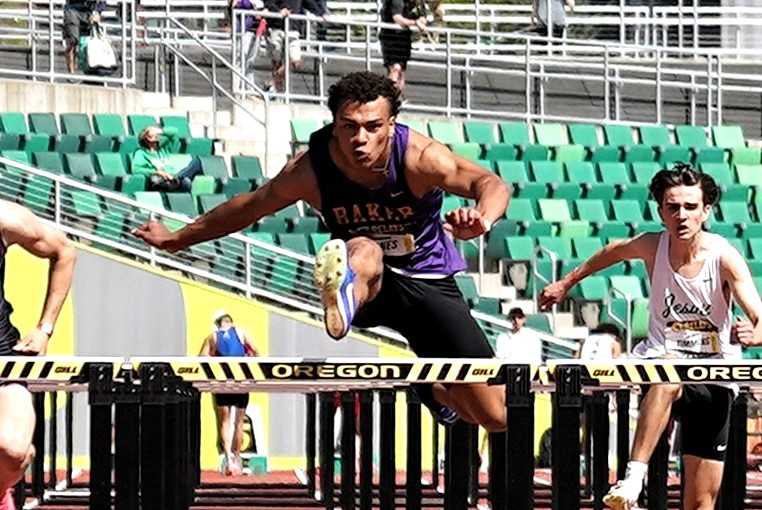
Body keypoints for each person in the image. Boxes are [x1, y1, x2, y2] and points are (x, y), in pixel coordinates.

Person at [133, 71, 511, 431]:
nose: (360, 139)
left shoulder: (420, 158)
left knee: (496, 415)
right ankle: (343, 301)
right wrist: (177, 238)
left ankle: (432, 389)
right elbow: (250, 207)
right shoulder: (312, 168)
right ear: (334, 124)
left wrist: (483, 217)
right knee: (363, 249)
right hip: (370, 284)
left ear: (391, 124)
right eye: (349, 127)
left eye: (373, 127)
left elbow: (490, 182)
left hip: (428, 281)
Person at [539, 164, 762, 510]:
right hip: (661, 363)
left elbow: (758, 315)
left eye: (690, 207)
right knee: (668, 377)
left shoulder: (724, 257)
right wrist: (566, 283)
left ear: (706, 210)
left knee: (701, 502)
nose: (682, 216)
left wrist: (756, 333)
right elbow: (609, 253)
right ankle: (633, 478)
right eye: (673, 207)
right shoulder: (650, 246)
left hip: (714, 376)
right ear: (660, 212)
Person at [0, 200, 76, 510]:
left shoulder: (5, 218)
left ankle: (0, 491)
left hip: (2, 359)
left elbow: (64, 251)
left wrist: (45, 329)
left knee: (14, 449)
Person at [198, 310, 258, 476]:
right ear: (231, 322)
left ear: (218, 324)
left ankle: (228, 458)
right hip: (240, 380)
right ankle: (237, 458)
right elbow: (256, 352)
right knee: (239, 422)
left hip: (222, 380)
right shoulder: (241, 333)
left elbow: (202, 358)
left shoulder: (213, 337)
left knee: (224, 421)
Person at [262, 0, 325, 92]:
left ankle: (273, 82)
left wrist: (321, 13)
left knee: (296, 62)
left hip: (293, 29)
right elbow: (268, 3)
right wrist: (278, 11)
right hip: (276, 26)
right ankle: (277, 92)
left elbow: (309, 3)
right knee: (276, 62)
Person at [132, 126, 204, 193]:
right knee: (186, 182)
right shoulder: (141, 153)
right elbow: (136, 169)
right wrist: (157, 172)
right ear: (147, 138)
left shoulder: (163, 149)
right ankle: (178, 180)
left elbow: (174, 132)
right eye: (153, 134)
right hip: (160, 181)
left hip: (173, 177)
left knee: (197, 162)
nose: (157, 135)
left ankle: (178, 179)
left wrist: (160, 131)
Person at [379, 0, 427, 92]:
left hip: (404, 37)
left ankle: (397, 97)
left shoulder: (419, 2)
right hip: (391, 37)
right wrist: (415, 22)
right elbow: (397, 18)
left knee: (401, 71)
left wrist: (421, 20)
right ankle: (390, 97)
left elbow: (422, 16)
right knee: (395, 69)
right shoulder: (397, 1)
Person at [63, 0, 106, 74]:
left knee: (88, 43)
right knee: (72, 41)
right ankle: (71, 74)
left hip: (89, 10)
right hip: (72, 9)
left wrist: (98, 11)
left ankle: (88, 73)